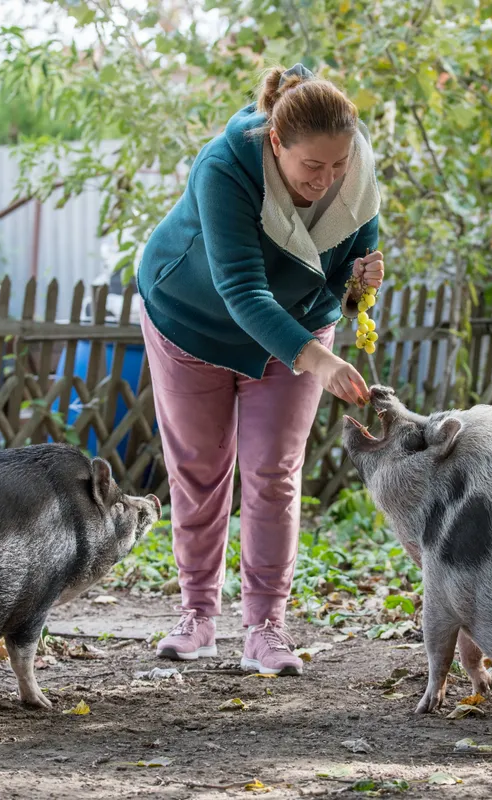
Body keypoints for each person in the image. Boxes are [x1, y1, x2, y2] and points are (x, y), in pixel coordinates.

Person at [134, 63, 384, 676]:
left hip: (296, 329)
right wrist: (320, 361)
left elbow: (346, 279)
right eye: (311, 167)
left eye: (338, 165)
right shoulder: (223, 168)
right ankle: (197, 615)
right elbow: (242, 291)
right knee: (200, 469)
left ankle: (266, 627)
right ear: (276, 143)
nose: (326, 181)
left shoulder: (354, 172)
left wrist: (361, 284)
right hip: (192, 321)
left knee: (274, 472)